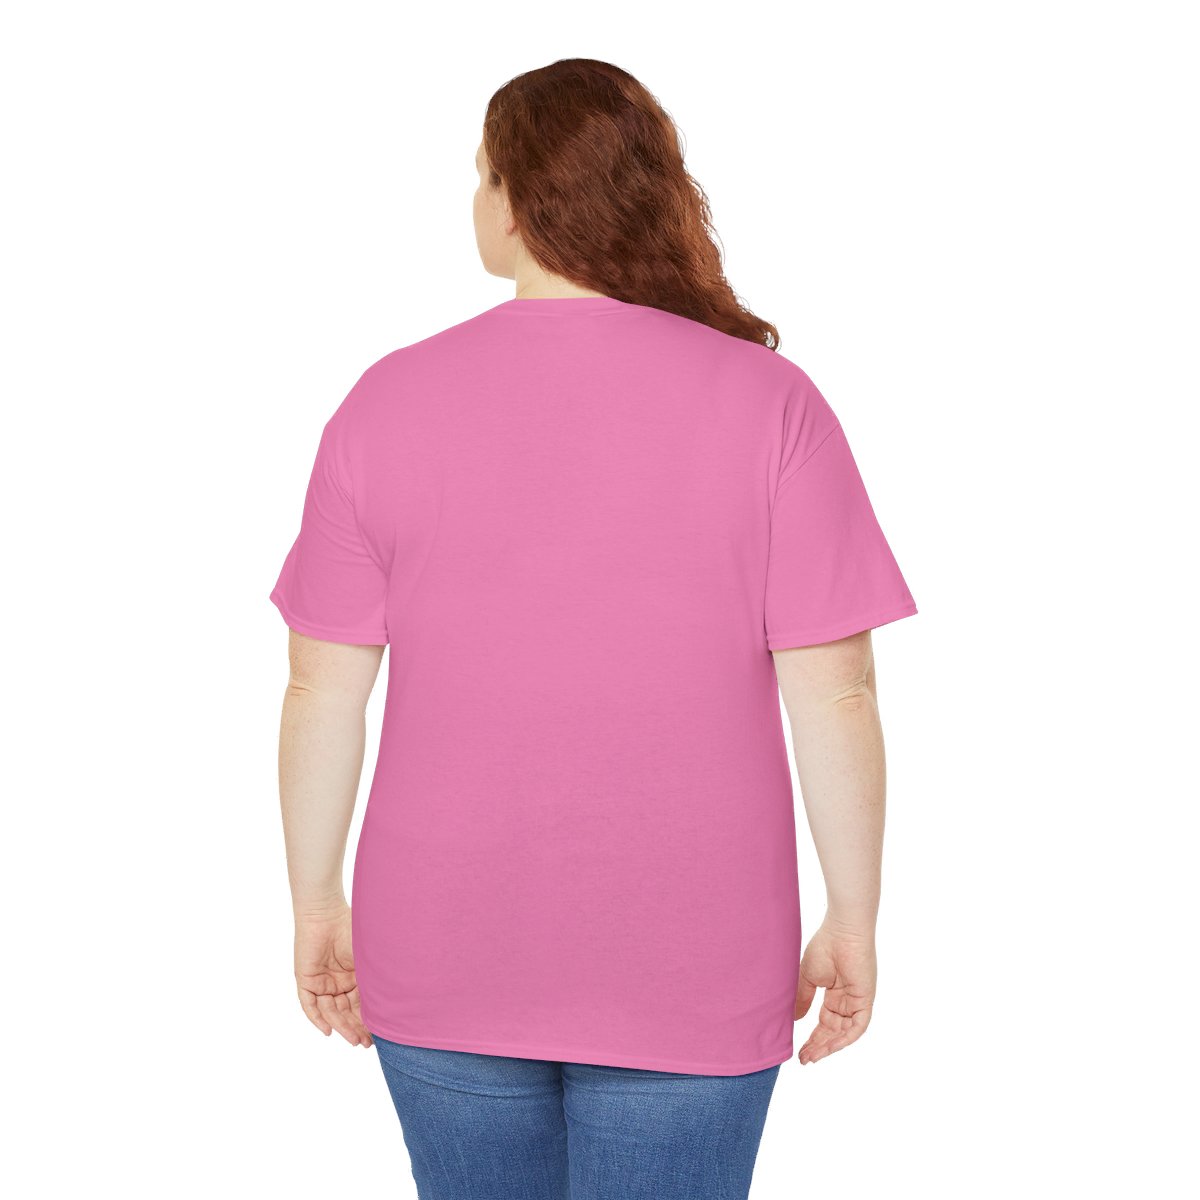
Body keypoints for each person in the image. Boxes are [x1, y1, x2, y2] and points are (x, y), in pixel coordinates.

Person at [269, 58, 918, 1200]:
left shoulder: (386, 401)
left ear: (517, 198)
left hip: (444, 937)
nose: (475, 199)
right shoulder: (772, 403)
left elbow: (324, 690)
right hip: (700, 953)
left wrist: (318, 899)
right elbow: (839, 691)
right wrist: (852, 916)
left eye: (481, 174)